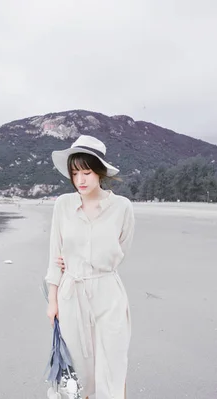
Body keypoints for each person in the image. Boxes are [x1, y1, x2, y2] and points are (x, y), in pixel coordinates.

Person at [44, 135, 135, 399]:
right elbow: (54, 254)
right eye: (75, 173)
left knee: (113, 366)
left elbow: (121, 250)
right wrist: (53, 300)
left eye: (87, 172)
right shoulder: (63, 205)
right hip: (71, 293)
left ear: (100, 172)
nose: (80, 180)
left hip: (108, 293)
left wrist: (93, 262)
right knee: (78, 374)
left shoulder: (121, 207)